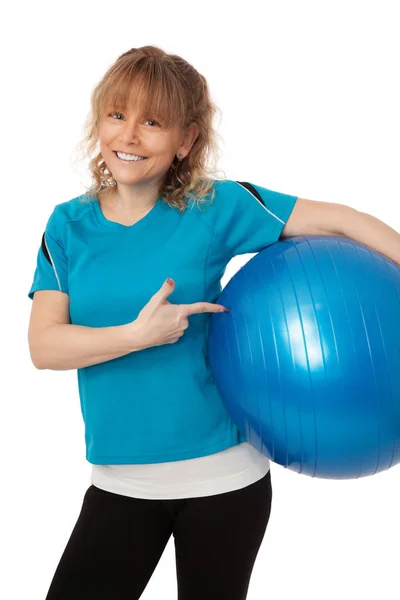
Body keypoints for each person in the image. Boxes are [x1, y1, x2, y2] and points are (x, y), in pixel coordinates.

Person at [27, 45, 298, 600]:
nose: (129, 136)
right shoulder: (67, 225)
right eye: (117, 115)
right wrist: (138, 335)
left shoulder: (218, 207)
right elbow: (44, 345)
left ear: (187, 141)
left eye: (153, 122)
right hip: (120, 481)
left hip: (225, 478)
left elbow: (344, 220)